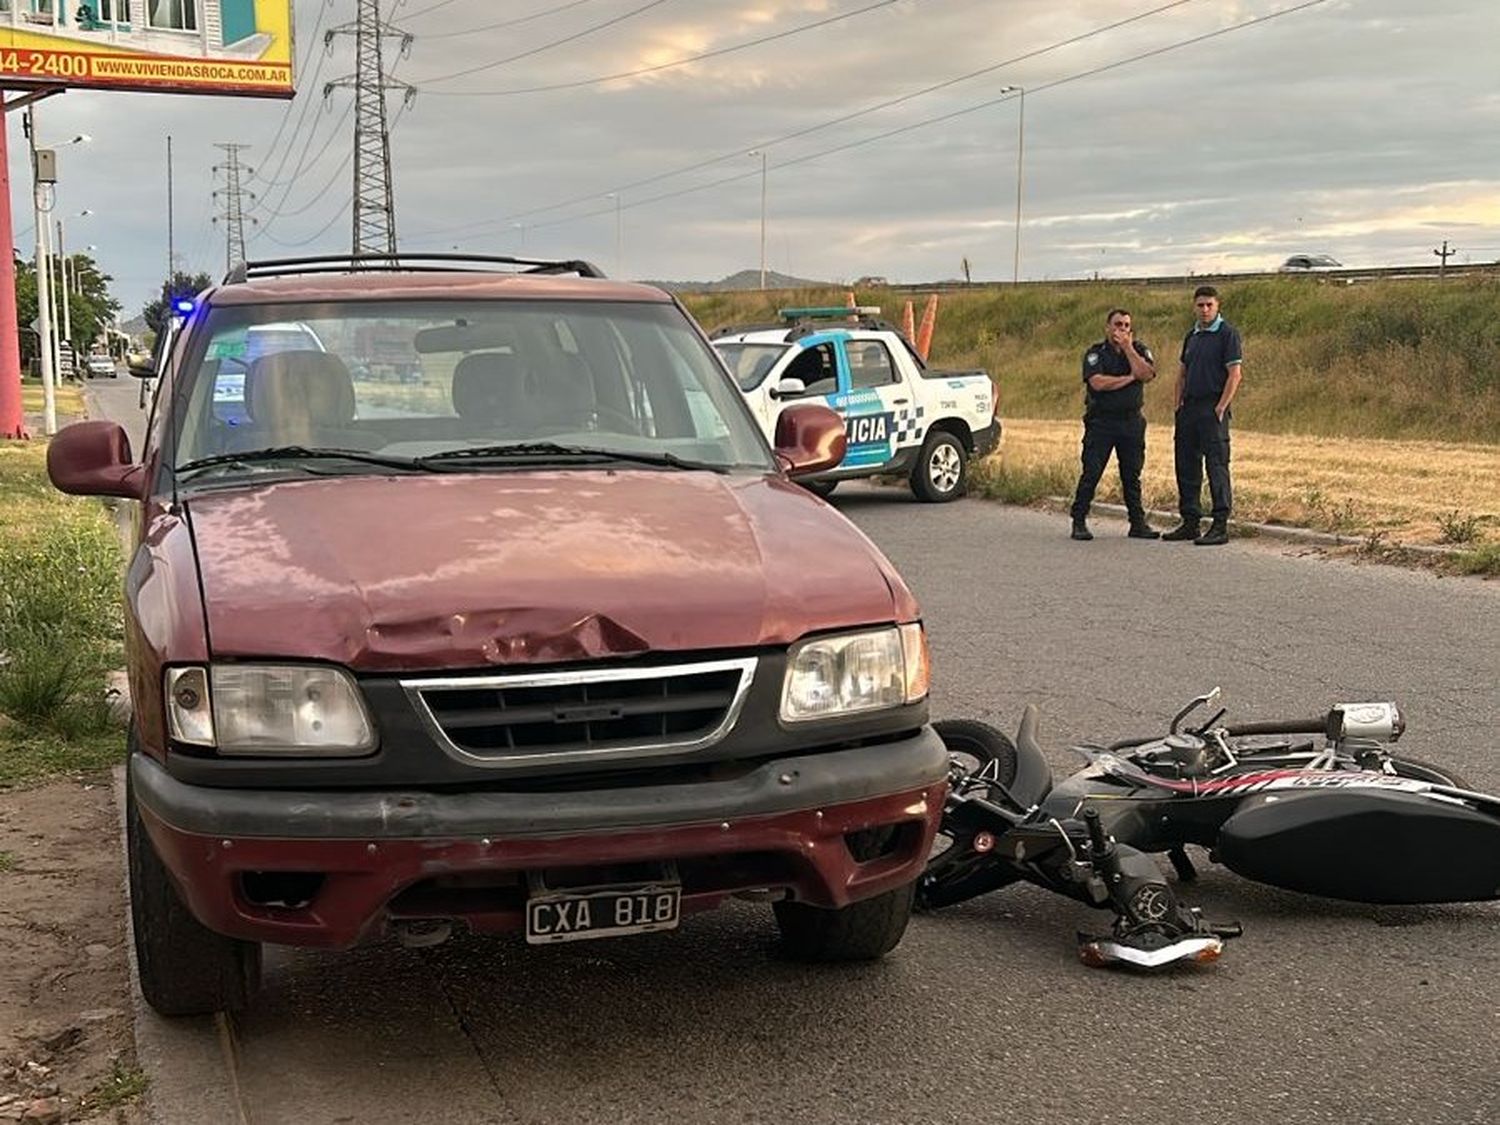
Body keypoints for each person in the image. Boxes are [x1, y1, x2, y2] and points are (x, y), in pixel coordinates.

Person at [1069, 308, 1159, 540]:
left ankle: (1137, 523)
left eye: (1126, 326)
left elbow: (1146, 374)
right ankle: (1079, 520)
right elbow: (1098, 383)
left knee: (1132, 474)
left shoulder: (1139, 350)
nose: (1121, 329)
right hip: (1102, 422)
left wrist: (1128, 349)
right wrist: (1129, 378)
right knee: (1092, 472)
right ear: (1107, 328)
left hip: (1131, 421)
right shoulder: (1096, 353)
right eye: (1117, 325)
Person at [1163, 286, 1243, 546]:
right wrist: (1178, 405)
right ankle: (1190, 521)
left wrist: (1221, 407)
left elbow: (1235, 375)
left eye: (1209, 305)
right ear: (1194, 307)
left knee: (1216, 465)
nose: (1205, 310)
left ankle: (1220, 525)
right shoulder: (1192, 336)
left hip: (1212, 407)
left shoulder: (1227, 334)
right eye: (1200, 305)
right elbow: (1182, 373)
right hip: (1189, 409)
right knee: (1186, 465)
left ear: (1218, 305)